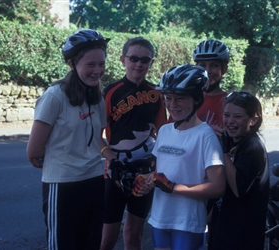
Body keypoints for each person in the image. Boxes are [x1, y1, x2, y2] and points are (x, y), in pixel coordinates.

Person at [26, 29, 111, 250]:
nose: (98, 71)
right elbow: (33, 150)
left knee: (91, 244)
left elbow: (98, 134)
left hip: (93, 182)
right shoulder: (55, 96)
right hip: (63, 186)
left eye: (101, 64)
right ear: (72, 64)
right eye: (90, 64)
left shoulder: (96, 96)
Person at [133, 64, 226, 250]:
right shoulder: (165, 131)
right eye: (168, 98)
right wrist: (147, 181)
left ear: (197, 99)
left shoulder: (205, 135)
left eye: (180, 98)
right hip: (160, 218)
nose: (172, 105)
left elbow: (218, 187)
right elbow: (161, 173)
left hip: (187, 221)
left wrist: (174, 188)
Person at [100, 37, 167, 250]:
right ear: (123, 60)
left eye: (145, 59)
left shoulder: (157, 93)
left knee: (133, 234)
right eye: (134, 58)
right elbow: (95, 135)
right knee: (107, 237)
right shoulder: (111, 91)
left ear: (151, 63)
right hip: (115, 170)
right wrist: (111, 159)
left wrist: (156, 165)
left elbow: (163, 133)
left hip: (144, 173)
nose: (139, 64)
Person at [208, 91, 269, 250]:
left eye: (238, 116)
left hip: (243, 234)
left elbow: (237, 188)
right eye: (226, 115)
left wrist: (223, 151)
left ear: (253, 120)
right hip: (225, 226)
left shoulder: (253, 147)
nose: (230, 121)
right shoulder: (233, 140)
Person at [193, 39, 230, 126]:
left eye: (214, 65)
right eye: (203, 65)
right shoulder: (186, 100)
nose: (208, 71)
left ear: (224, 69)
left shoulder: (229, 103)